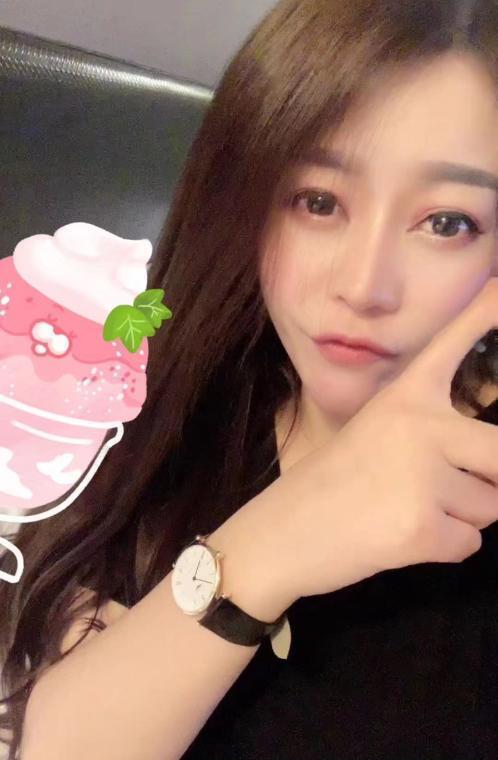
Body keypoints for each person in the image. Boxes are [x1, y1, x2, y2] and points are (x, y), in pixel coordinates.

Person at [1, 0, 498, 757]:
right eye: (318, 202)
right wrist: (270, 544)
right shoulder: (155, 419)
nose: (364, 286)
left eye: (448, 223)